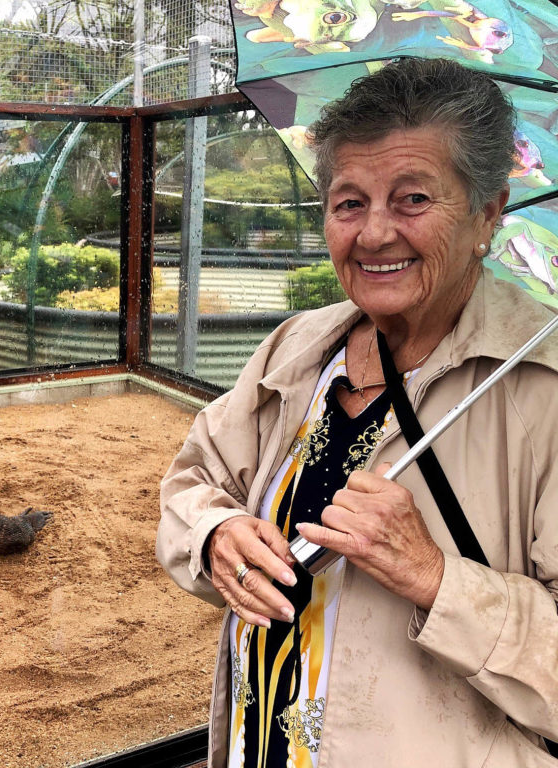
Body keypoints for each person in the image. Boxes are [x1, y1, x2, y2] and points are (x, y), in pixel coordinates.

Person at [157, 58, 558, 767]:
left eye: (412, 199)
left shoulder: (543, 388)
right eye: (349, 202)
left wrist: (437, 577)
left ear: (486, 213)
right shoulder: (299, 348)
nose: (374, 234)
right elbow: (194, 480)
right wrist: (216, 535)